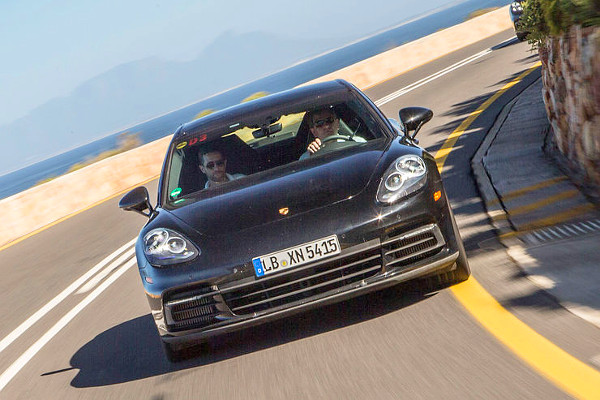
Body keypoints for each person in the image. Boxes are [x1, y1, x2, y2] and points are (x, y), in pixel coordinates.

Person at [300, 107, 365, 160]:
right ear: (314, 132)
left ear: (337, 123)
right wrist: (313, 157)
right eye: (319, 123)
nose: (326, 126)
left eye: (329, 120)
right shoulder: (306, 158)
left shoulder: (357, 142)